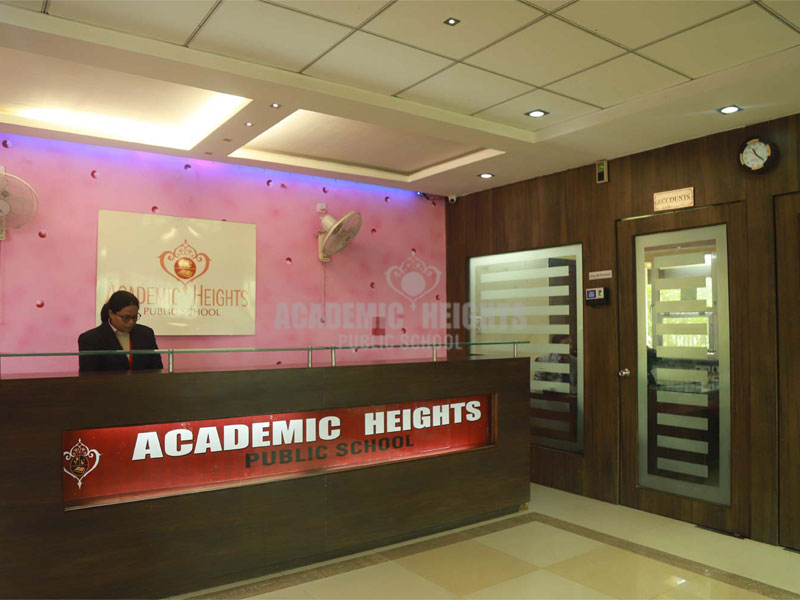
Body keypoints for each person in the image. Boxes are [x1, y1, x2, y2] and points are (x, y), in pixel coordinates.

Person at [78, 290, 163, 373]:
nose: (131, 322)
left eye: (135, 317)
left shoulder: (146, 333)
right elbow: (88, 377)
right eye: (126, 317)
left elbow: (157, 370)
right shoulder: (90, 339)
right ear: (111, 314)